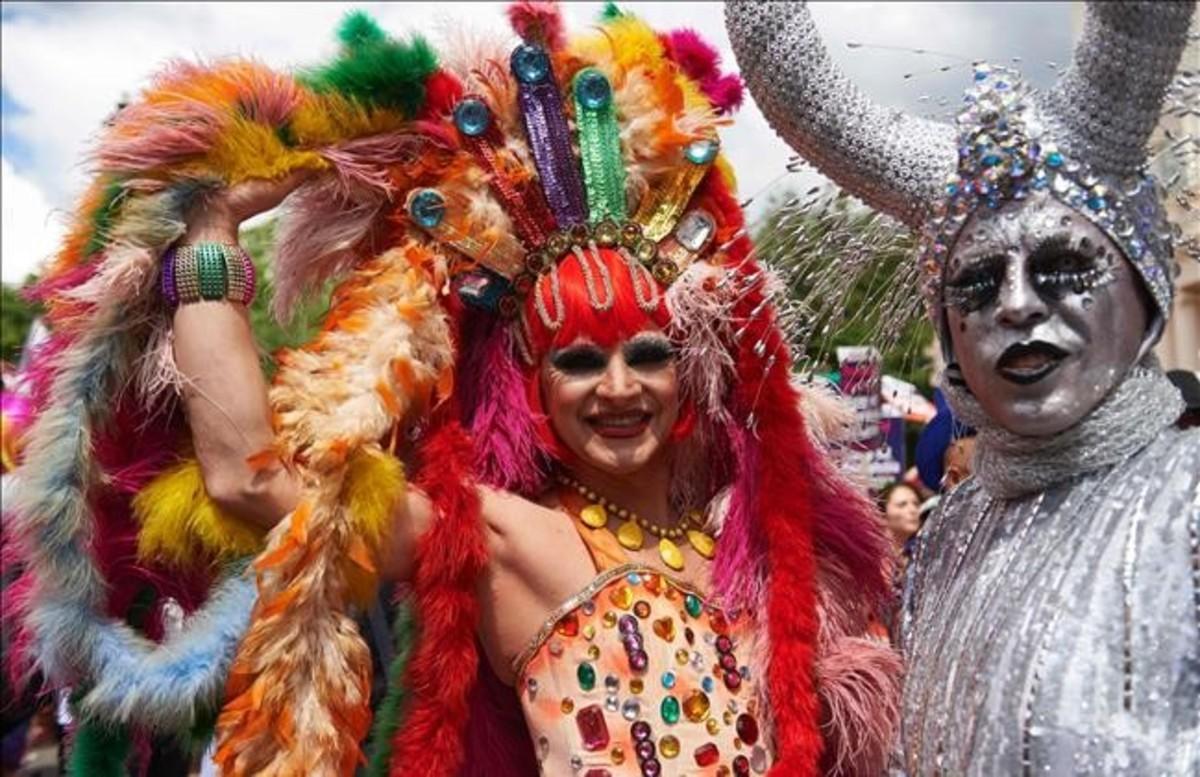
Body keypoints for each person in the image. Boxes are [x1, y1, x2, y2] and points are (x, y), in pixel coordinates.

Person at [10, 4, 900, 776]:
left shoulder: (742, 537)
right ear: (533, 389)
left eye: (647, 353)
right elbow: (250, 477)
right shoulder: (509, 537)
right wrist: (210, 233)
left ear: (689, 367)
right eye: (579, 362)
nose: (619, 387)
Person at [727, 0, 1200, 774]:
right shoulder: (946, 537)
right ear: (947, 332)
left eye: (1060, 267)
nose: (1016, 303)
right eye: (978, 281)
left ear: (1143, 291)